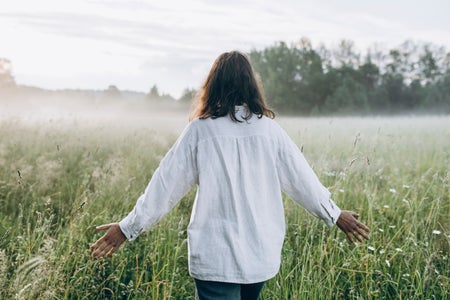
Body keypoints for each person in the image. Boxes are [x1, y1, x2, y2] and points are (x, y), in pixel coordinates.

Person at [90, 51, 370, 299]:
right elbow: (303, 181)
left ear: (213, 85)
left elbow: (164, 185)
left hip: (216, 259)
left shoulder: (200, 131)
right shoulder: (269, 131)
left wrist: (127, 229)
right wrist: (334, 214)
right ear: (251, 85)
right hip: (259, 257)